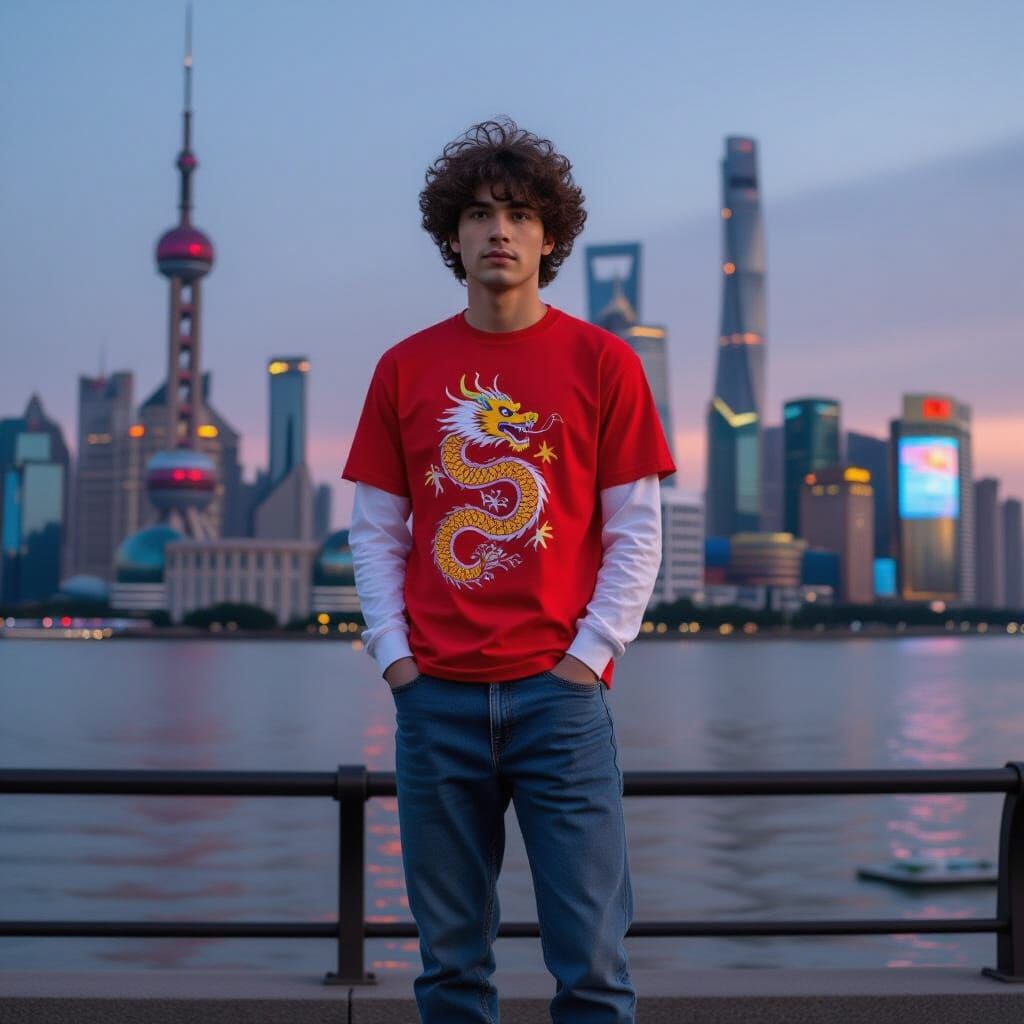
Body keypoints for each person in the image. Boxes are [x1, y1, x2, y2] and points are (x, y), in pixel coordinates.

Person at [341, 117, 675, 1023]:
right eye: (481, 214)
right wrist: (395, 660)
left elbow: (637, 531)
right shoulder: (404, 368)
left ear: (551, 237)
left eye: (521, 214)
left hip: (559, 701)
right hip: (436, 700)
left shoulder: (604, 363)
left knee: (594, 966)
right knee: (450, 968)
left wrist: (589, 656)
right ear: (452, 236)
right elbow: (375, 533)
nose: (500, 231)